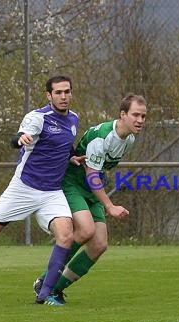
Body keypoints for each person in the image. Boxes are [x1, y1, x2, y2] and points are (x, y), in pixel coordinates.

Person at [0, 75, 81, 306]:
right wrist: (20, 139)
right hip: (24, 187)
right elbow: (16, 138)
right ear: (49, 95)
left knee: (66, 236)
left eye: (67, 92)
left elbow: (65, 145)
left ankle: (45, 294)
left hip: (52, 192)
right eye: (58, 92)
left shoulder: (74, 119)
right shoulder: (37, 118)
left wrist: (72, 157)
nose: (63, 96)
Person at [32, 94, 147, 303]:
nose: (140, 120)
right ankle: (45, 281)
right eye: (135, 115)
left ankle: (55, 288)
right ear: (123, 115)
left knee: (99, 245)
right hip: (73, 183)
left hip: (92, 188)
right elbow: (91, 173)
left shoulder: (129, 138)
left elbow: (99, 172)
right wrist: (109, 206)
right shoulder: (102, 136)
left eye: (143, 116)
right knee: (85, 230)